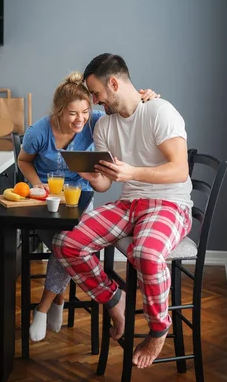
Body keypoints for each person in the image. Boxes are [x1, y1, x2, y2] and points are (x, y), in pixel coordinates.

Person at [52, 54, 192, 368]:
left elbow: (179, 170)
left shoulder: (160, 111)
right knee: (66, 243)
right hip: (130, 204)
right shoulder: (106, 125)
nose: (95, 100)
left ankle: (158, 329)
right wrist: (92, 175)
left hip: (169, 203)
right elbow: (105, 184)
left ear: (113, 83)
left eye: (97, 93)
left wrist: (131, 173)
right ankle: (116, 301)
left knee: (145, 253)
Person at [17, 71, 159, 342]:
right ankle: (56, 302)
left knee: (66, 242)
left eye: (85, 111)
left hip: (80, 199)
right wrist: (37, 184)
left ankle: (43, 307)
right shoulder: (38, 132)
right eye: (72, 113)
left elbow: (126, 107)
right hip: (45, 202)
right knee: (64, 243)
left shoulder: (95, 121)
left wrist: (146, 97)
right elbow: (24, 161)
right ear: (58, 111)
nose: (80, 119)